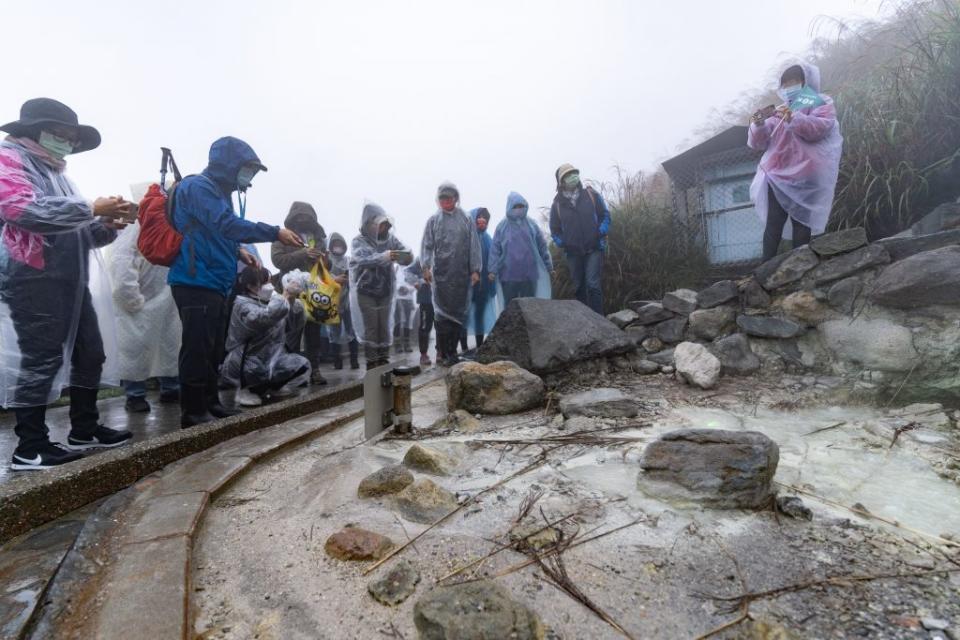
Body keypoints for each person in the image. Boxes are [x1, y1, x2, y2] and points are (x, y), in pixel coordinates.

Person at [0, 97, 134, 469]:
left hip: (69, 280)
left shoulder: (59, 174)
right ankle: (30, 446)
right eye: (59, 134)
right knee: (40, 359)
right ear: (33, 130)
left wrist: (105, 225)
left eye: (71, 137)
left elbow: (77, 232)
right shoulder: (8, 159)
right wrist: (92, 208)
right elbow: (21, 210)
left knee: (90, 352)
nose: (67, 143)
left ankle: (84, 428)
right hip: (31, 277)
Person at [168, 136, 304, 427]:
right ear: (229, 165)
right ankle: (192, 411)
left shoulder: (219, 192)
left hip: (216, 280)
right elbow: (225, 225)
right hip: (194, 279)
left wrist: (238, 249)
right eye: (248, 169)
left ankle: (210, 402)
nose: (250, 176)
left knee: (214, 346)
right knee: (196, 346)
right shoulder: (199, 187)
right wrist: (274, 232)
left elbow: (214, 233)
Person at [748, 62, 843, 261]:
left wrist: (794, 119)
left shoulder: (820, 102)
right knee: (774, 222)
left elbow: (821, 128)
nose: (790, 87)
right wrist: (758, 125)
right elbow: (760, 142)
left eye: (795, 82)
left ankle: (801, 266)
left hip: (807, 174)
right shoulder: (780, 111)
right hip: (778, 176)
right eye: (786, 83)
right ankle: (764, 271)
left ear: (806, 81)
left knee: (802, 223)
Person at [110, 183, 181, 413]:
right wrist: (131, 298)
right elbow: (121, 265)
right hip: (139, 302)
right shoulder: (135, 228)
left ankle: (171, 387)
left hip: (166, 298)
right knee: (135, 349)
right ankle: (135, 394)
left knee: (169, 346)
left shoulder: (173, 224)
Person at [220, 266, 310, 407]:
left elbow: (290, 323)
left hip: (269, 356)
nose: (269, 286)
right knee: (254, 369)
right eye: (263, 283)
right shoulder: (242, 305)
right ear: (249, 286)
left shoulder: (268, 300)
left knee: (299, 364)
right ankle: (243, 391)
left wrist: (291, 300)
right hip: (244, 359)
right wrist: (285, 295)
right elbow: (264, 317)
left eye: (269, 281)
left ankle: (271, 388)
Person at [421, 182, 482, 367]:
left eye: (449, 197)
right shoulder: (433, 221)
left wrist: (475, 269)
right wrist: (425, 267)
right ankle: (445, 352)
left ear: (456, 198)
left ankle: (452, 352)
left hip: (461, 276)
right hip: (441, 276)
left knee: (458, 315)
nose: (446, 201)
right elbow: (427, 245)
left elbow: (474, 245)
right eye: (443, 198)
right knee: (442, 317)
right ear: (438, 200)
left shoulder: (466, 218)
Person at [270, 201, 328, 384]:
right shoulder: (283, 237)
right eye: (299, 216)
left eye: (307, 217)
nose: (303, 220)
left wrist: (325, 260)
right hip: (290, 293)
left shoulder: (318, 238)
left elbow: (327, 266)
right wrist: (303, 254)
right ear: (292, 218)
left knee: (314, 334)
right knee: (291, 334)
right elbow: (277, 260)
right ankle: (292, 372)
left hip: (314, 293)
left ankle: (314, 370)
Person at [349, 202, 413, 369]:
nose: (382, 227)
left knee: (384, 326)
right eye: (378, 224)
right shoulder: (358, 241)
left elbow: (406, 255)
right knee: (372, 326)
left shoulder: (390, 239)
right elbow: (362, 259)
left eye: (384, 224)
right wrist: (384, 256)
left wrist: (406, 256)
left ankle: (384, 359)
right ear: (368, 223)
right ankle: (372, 361)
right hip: (365, 290)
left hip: (385, 290)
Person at [549, 164, 610, 315]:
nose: (573, 176)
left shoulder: (591, 195)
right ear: (561, 181)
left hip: (594, 247)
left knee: (593, 285)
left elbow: (605, 215)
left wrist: (600, 232)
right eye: (568, 175)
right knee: (578, 287)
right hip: (573, 253)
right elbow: (554, 230)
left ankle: (600, 321)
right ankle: (585, 321)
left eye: (574, 173)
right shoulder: (557, 205)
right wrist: (563, 242)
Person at [489, 191, 554, 306]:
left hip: (529, 275)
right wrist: (492, 270)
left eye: (521, 206)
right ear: (509, 207)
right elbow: (495, 250)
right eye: (515, 206)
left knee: (530, 307)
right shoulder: (502, 227)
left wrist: (549, 266)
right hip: (508, 276)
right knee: (509, 308)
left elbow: (542, 246)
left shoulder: (532, 225)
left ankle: (531, 325)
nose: (518, 209)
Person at [326, 233, 360, 370]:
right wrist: (335, 280)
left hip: (348, 302)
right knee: (334, 334)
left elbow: (357, 275)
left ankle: (354, 361)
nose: (338, 248)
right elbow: (322, 278)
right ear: (331, 246)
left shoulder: (348, 260)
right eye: (335, 245)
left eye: (340, 245)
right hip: (332, 303)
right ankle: (337, 362)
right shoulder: (326, 260)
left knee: (352, 331)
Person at [466, 207, 497, 347]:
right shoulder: (465, 237)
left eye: (485, 218)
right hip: (466, 285)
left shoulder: (488, 239)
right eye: (479, 216)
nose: (482, 220)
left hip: (483, 286)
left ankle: (479, 347)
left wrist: (492, 274)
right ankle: (463, 347)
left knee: (479, 316)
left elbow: (494, 259)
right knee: (464, 316)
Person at [405, 259, 436, 366]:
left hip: (442, 299)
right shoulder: (422, 259)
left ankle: (442, 352)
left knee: (442, 326)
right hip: (426, 299)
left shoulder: (445, 255)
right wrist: (417, 281)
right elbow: (407, 272)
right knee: (424, 327)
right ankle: (423, 354)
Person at [394, 266, 417, 354]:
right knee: (397, 322)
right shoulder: (395, 268)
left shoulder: (411, 268)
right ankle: (397, 345)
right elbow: (391, 282)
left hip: (408, 299)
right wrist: (399, 288)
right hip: (397, 298)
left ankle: (407, 344)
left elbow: (416, 283)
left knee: (408, 323)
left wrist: (408, 289)